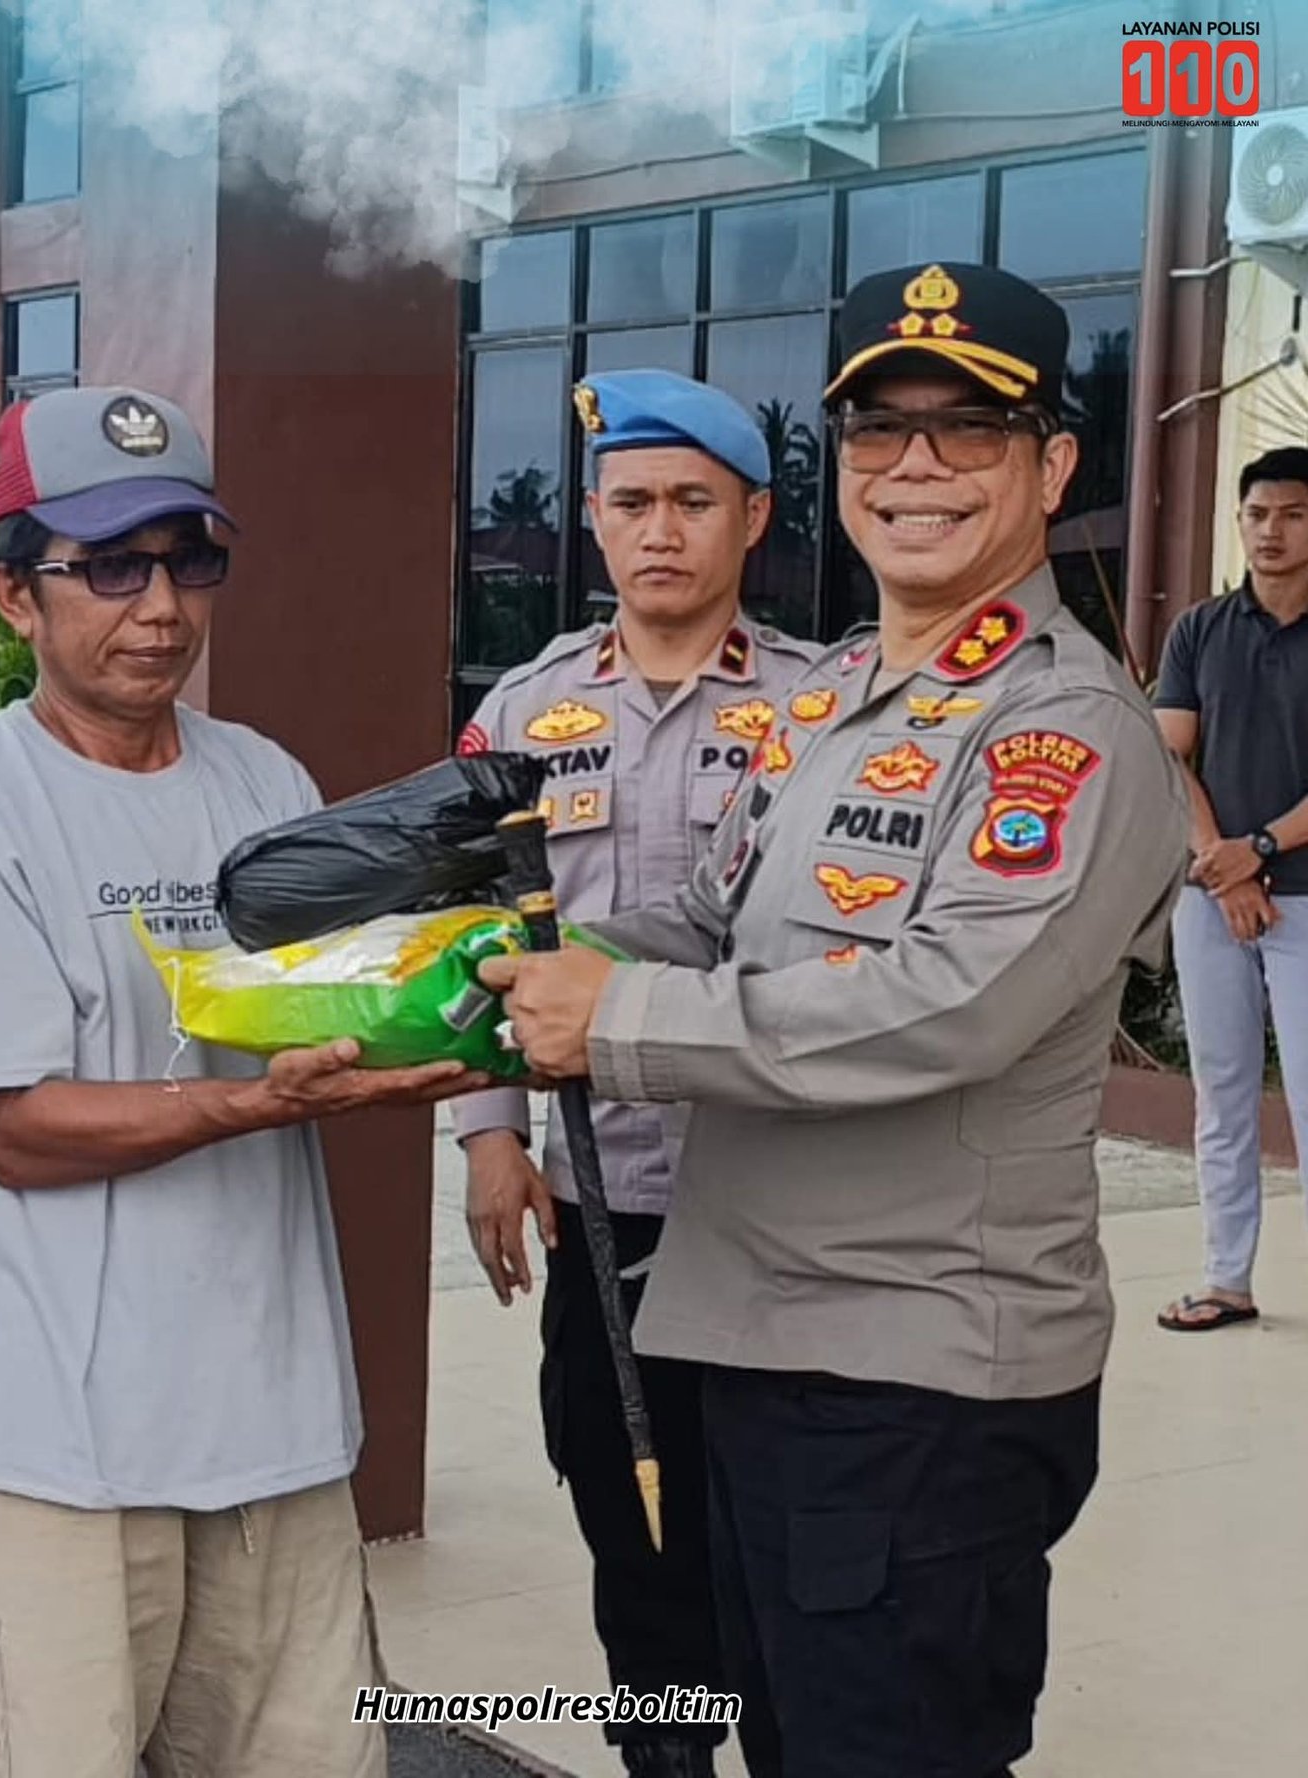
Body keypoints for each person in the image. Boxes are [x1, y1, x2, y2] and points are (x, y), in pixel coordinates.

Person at [479, 263, 1189, 1777]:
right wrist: (483, 973)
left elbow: (950, 1003)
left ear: (1052, 465)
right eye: (879, 427)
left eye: (968, 427)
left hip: (916, 1382)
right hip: (766, 1345)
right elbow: (707, 925)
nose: (915, 463)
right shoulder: (841, 697)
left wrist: (613, 1019)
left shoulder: (1062, 726)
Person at [0, 385, 486, 1778]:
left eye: (187, 558)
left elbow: (336, 1014)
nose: (157, 605)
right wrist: (265, 1102)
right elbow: (19, 1127)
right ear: (13, 594)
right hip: (61, 1460)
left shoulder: (262, 779)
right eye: (108, 565)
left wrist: (448, 1030)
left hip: (276, 1435)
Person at [455, 368, 817, 1778]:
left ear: (754, 518)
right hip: (606, 1196)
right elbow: (475, 940)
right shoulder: (523, 715)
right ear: (595, 522)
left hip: (779, 1201)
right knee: (630, 1519)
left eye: (692, 502)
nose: (659, 531)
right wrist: (491, 1137)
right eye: (631, 504)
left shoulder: (819, 703)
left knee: (779, 1535)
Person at [1154, 446, 1308, 1332]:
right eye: (1257, 515)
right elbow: (1172, 753)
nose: (1270, 531)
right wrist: (1219, 863)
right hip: (1212, 900)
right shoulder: (1199, 630)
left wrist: (1257, 849)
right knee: (1222, 1092)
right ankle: (1226, 1280)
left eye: (1290, 514)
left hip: (1304, 896)